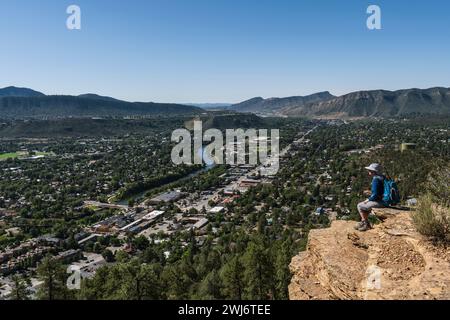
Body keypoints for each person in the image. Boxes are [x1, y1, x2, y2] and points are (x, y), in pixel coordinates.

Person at [355, 163, 386, 232]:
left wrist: (368, 199)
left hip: (381, 202)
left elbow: (375, 195)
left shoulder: (376, 180)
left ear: (374, 172)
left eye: (370, 170)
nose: (369, 172)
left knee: (360, 205)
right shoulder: (383, 177)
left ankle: (366, 224)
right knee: (366, 206)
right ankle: (364, 222)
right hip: (386, 200)